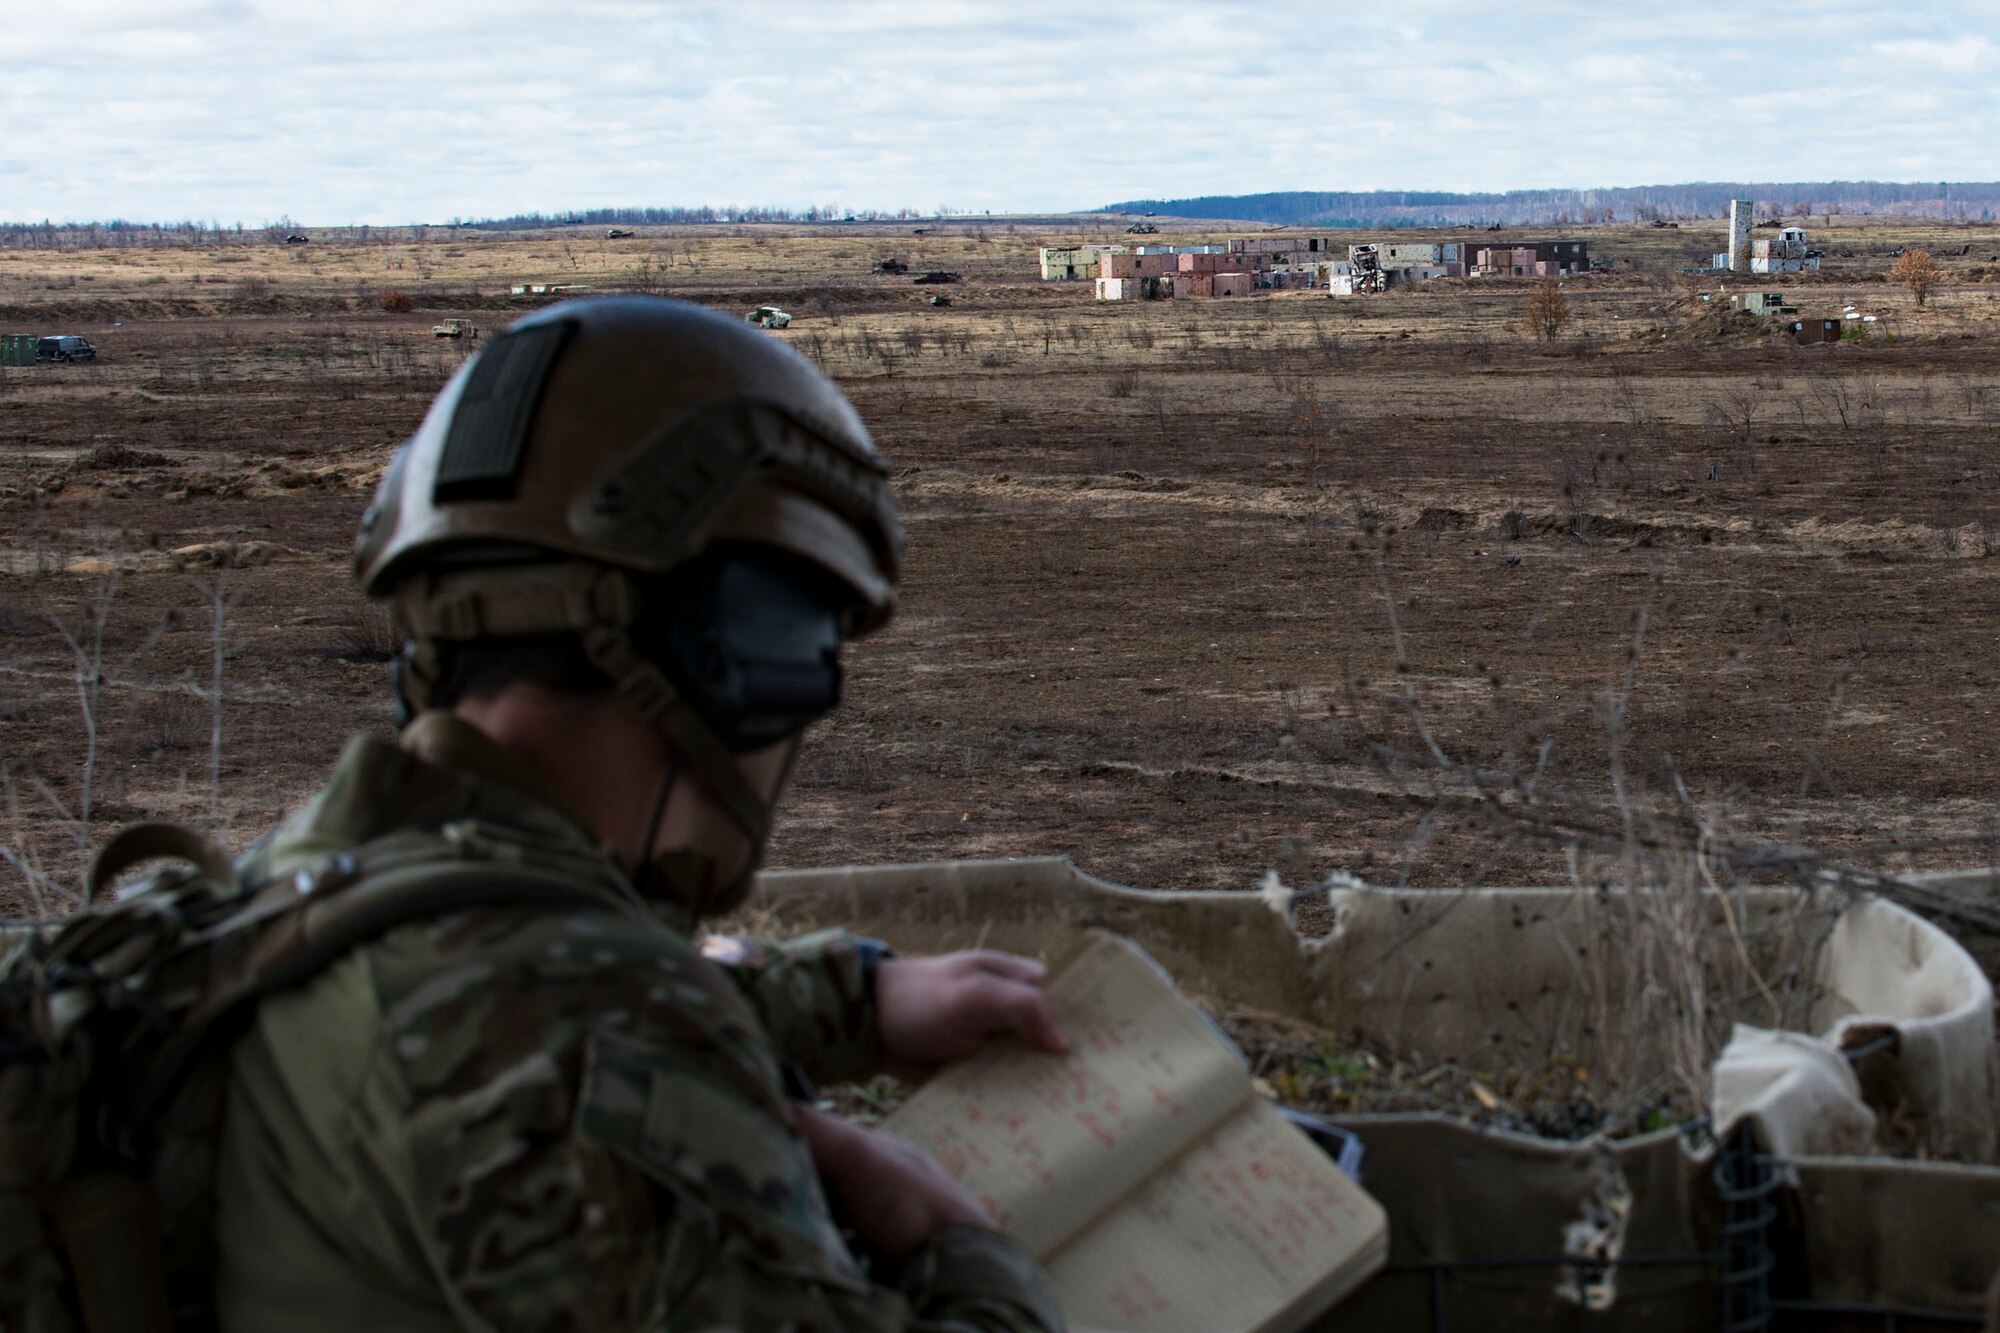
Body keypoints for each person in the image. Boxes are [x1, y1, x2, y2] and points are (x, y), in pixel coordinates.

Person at [209, 296, 1069, 1330]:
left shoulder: (301, 878)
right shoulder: (582, 1061)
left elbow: (479, 999)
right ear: (749, 665)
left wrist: (847, 999)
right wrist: (957, 1249)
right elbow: (547, 1029)